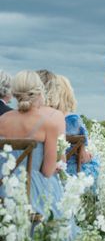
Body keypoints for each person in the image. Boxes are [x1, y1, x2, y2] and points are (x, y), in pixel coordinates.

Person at [0, 70, 65, 218]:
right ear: (40, 92)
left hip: (4, 191)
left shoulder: (2, 120)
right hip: (32, 192)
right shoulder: (48, 124)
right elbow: (47, 172)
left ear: (15, 93)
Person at [49, 74, 100, 183]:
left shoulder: (45, 120)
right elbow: (82, 158)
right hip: (73, 172)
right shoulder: (74, 121)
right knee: (97, 163)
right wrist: (90, 156)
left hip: (49, 170)